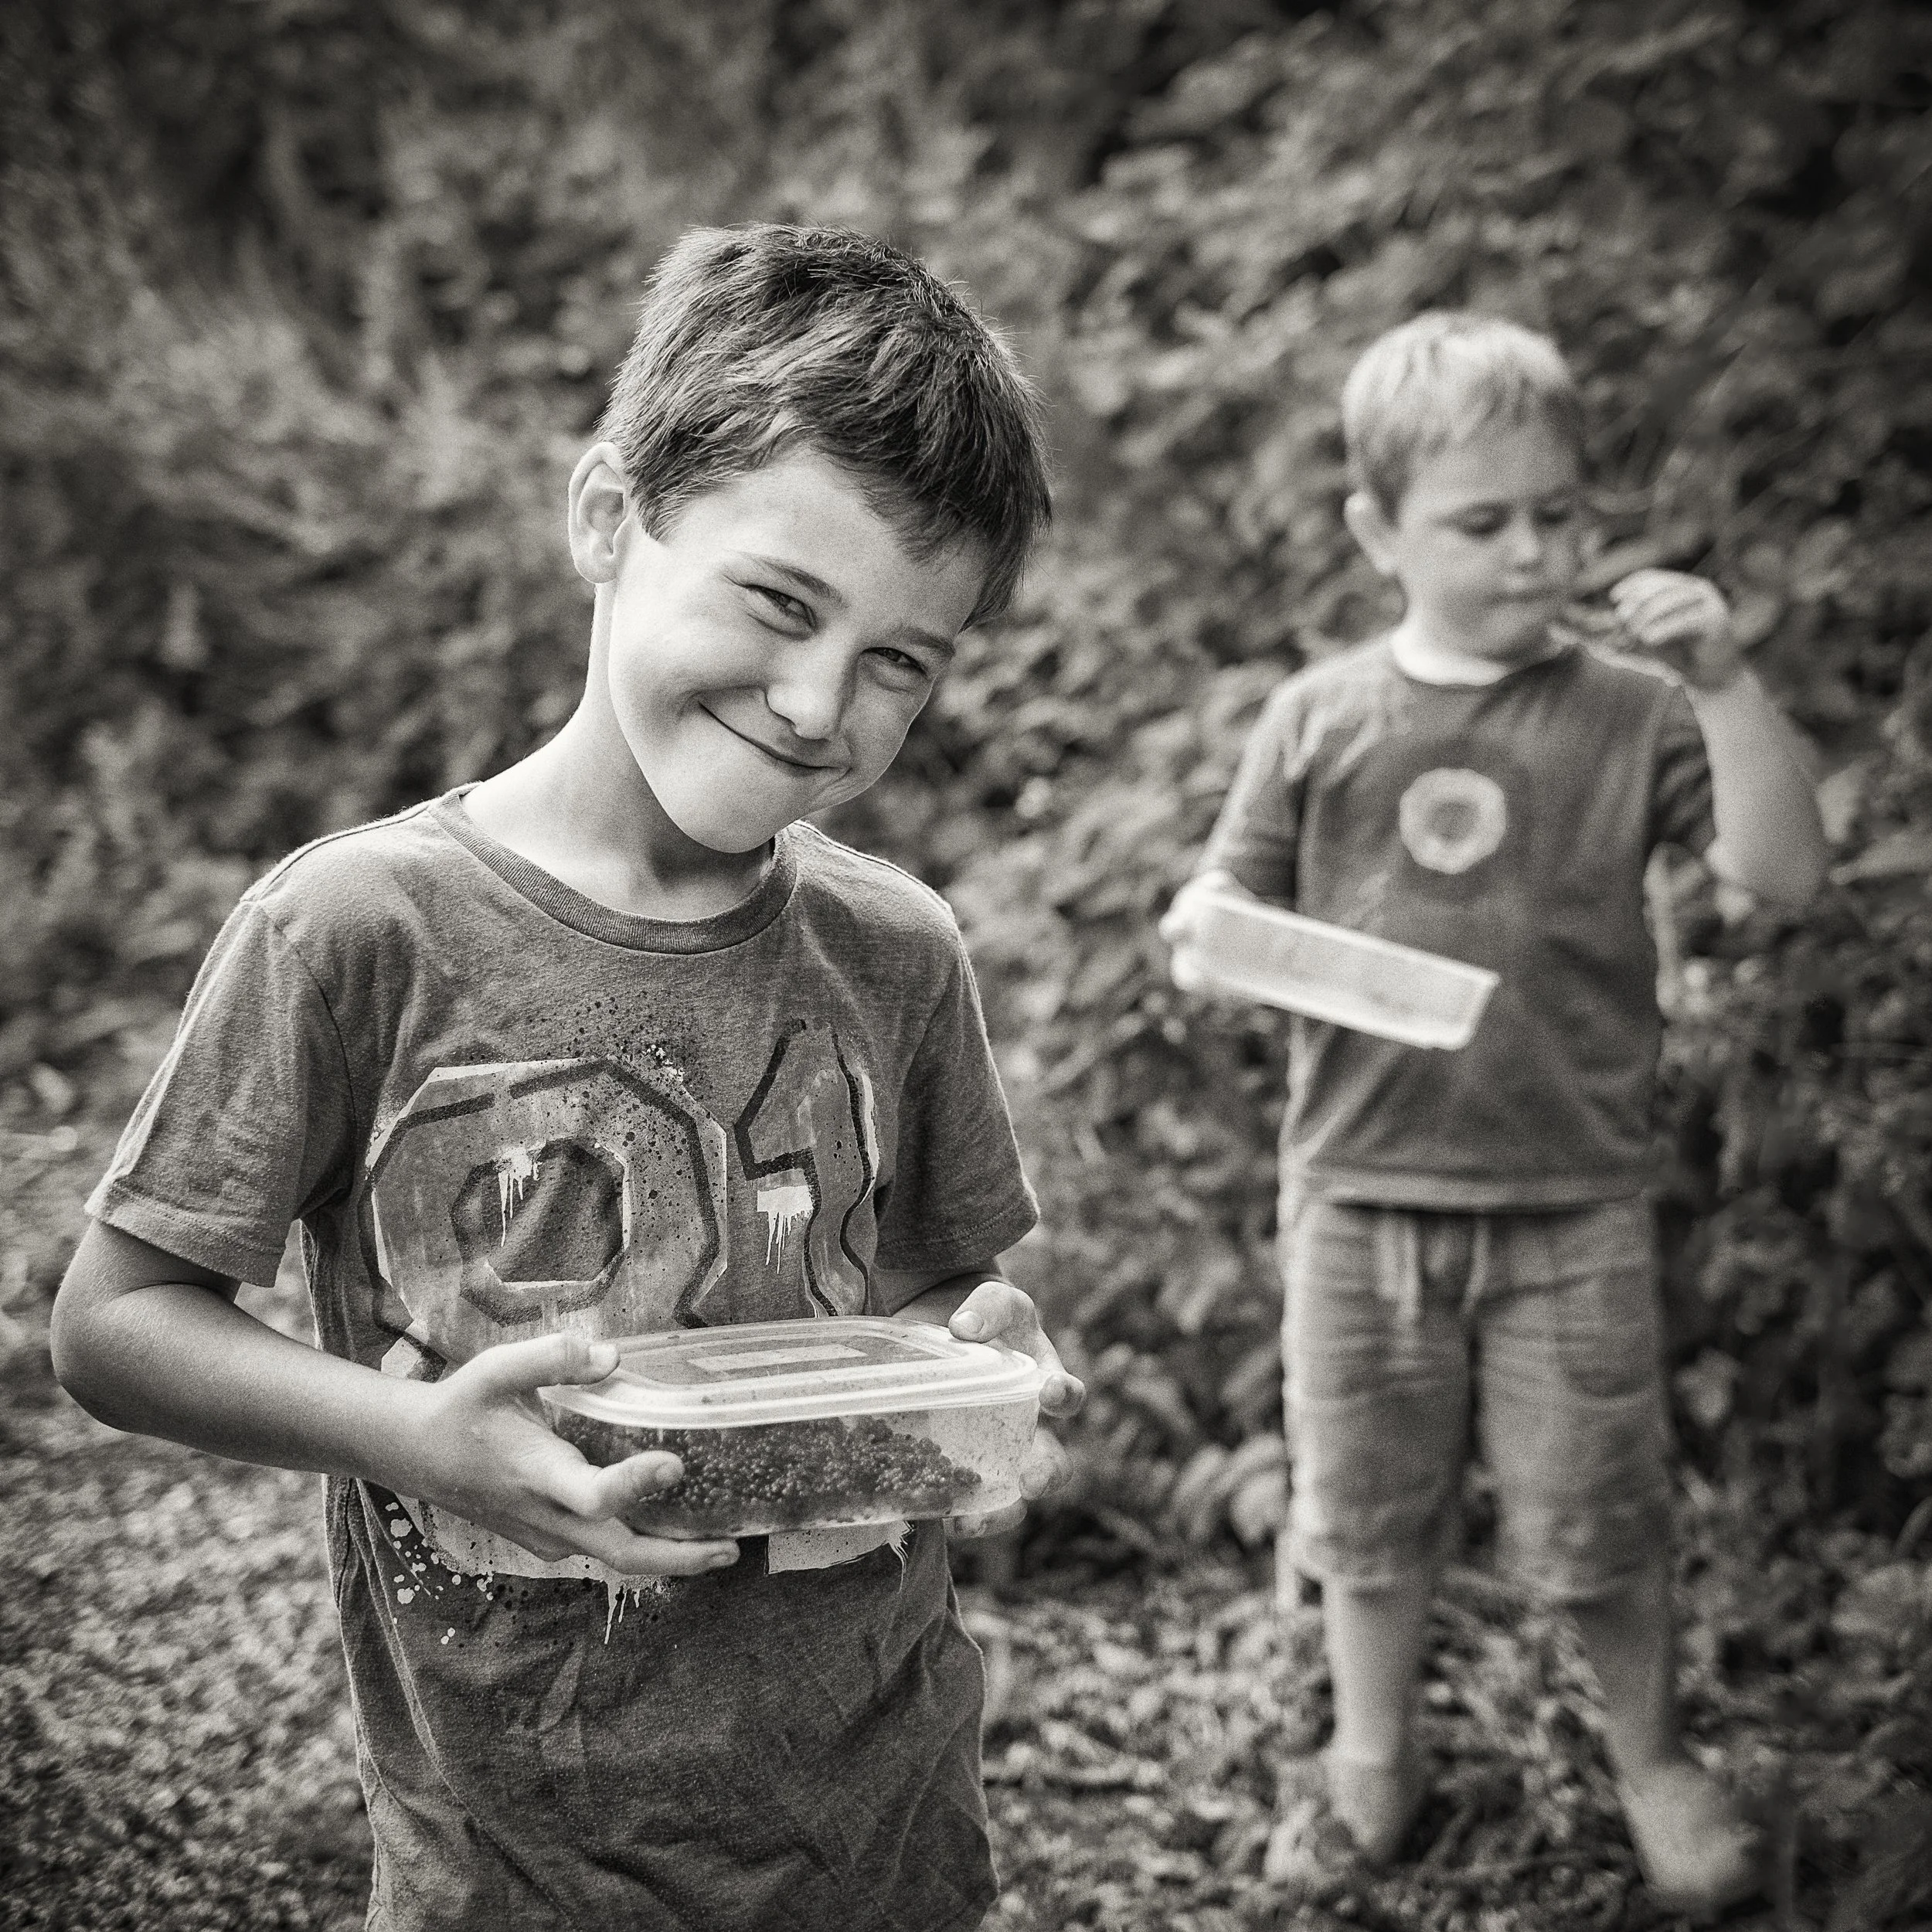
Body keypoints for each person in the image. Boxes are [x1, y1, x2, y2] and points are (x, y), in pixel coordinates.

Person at [53, 223, 1083, 1932]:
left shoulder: (895, 946)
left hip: (880, 1822)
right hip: (516, 1853)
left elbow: (936, 1284)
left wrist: (983, 1350)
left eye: (904, 657)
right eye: (778, 599)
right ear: (608, 518)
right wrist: (415, 1438)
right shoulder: (358, 926)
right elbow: (114, 1321)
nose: (823, 701)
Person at [1161, 311, 1826, 1912]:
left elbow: (1781, 876)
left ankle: (1649, 1753)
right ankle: (1370, 1754)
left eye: (1560, 513)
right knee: (1367, 1510)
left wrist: (1724, 683)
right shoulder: (1315, 716)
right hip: (1357, 1193)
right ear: (1374, 531)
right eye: (1481, 522)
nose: (1533, 551)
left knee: (1599, 1513)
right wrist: (1211, 942)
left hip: (1566, 1193)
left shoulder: (1630, 708)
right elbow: (1216, 906)